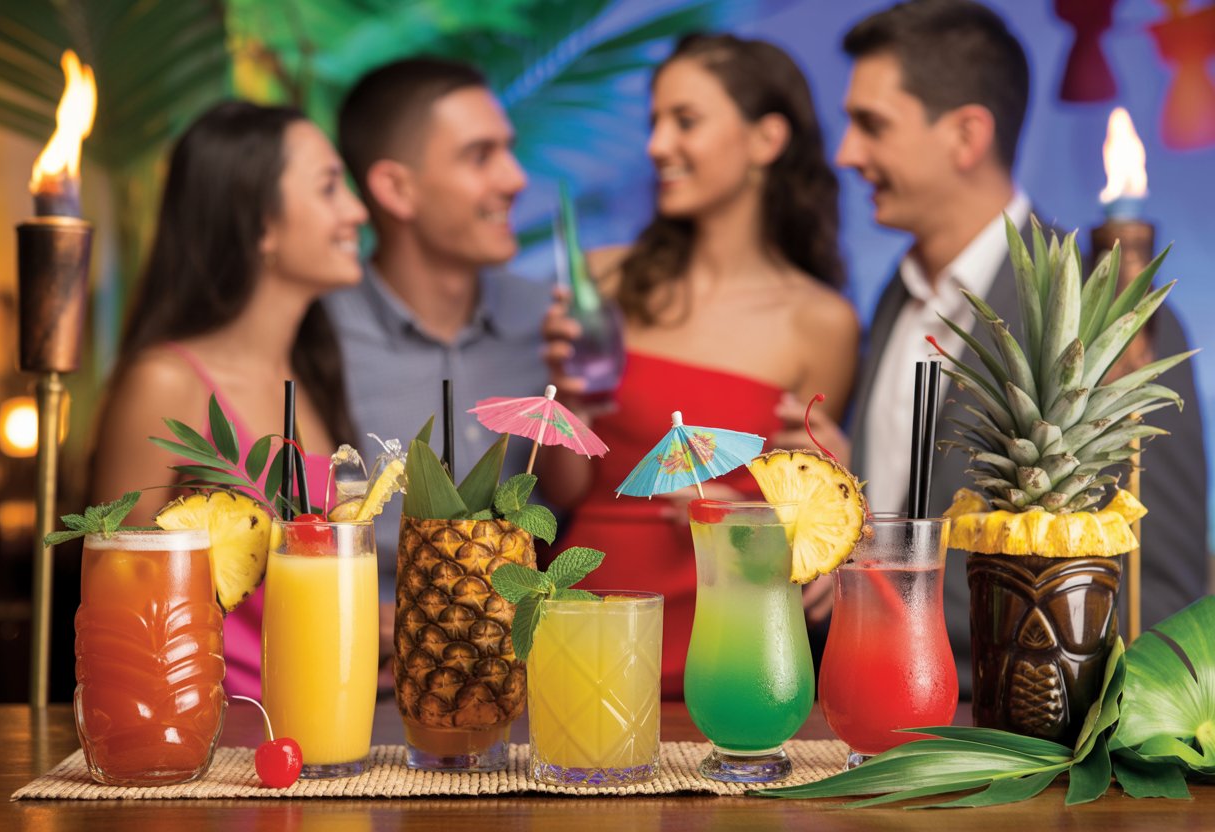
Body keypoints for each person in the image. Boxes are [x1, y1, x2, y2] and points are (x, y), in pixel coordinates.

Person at [835, 0, 1209, 694]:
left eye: (871, 125)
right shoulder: (897, 292)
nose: (846, 152)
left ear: (966, 136)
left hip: (1014, 738)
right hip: (869, 715)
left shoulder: (1106, 316)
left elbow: (1165, 594)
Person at [542, 34, 860, 699]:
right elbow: (565, 491)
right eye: (654, 123)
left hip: (731, 629)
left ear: (765, 140)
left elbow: (808, 512)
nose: (657, 145)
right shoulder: (604, 278)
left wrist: (741, 511)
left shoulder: (820, 321)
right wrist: (562, 402)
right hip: (594, 615)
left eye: (684, 121)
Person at [91, 100, 368, 697]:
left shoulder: (312, 373)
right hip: (223, 733)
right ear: (259, 222)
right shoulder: (167, 381)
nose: (357, 210)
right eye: (328, 188)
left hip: (326, 717)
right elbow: (120, 594)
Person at [326, 57, 550, 603]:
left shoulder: (550, 324)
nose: (515, 178)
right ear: (396, 189)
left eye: (508, 149)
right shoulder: (316, 335)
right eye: (480, 156)